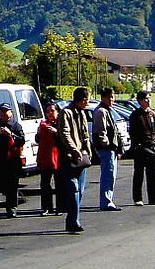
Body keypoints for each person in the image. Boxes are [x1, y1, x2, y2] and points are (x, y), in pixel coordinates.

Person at [56, 87, 94, 232]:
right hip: (68, 157)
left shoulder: (82, 113)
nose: (88, 102)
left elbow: (85, 134)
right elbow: (65, 134)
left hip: (82, 157)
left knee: (80, 190)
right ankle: (73, 221)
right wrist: (74, 150)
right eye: (87, 99)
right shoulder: (66, 113)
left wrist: (88, 151)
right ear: (83, 99)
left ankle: (74, 217)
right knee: (73, 188)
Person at [127, 89, 155, 207]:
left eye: (149, 98)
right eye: (145, 99)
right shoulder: (135, 115)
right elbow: (133, 133)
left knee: (152, 174)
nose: (148, 101)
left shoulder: (152, 114)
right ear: (140, 101)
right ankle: (137, 198)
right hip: (140, 147)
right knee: (139, 173)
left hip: (152, 146)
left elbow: (154, 131)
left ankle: (154, 197)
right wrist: (136, 146)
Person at [91, 86, 125, 211]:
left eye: (113, 97)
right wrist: (107, 145)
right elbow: (101, 132)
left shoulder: (107, 110)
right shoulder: (100, 111)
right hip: (106, 149)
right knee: (108, 175)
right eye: (110, 97)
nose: (112, 99)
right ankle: (106, 201)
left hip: (112, 148)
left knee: (111, 175)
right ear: (104, 98)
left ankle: (108, 199)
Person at [35, 102, 64, 215]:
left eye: (52, 110)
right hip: (45, 157)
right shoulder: (44, 124)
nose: (50, 113)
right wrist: (39, 133)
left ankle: (60, 207)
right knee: (45, 183)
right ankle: (47, 207)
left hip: (58, 157)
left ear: (57, 112)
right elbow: (38, 139)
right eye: (48, 111)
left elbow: (66, 138)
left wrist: (56, 132)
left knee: (60, 183)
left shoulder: (61, 124)